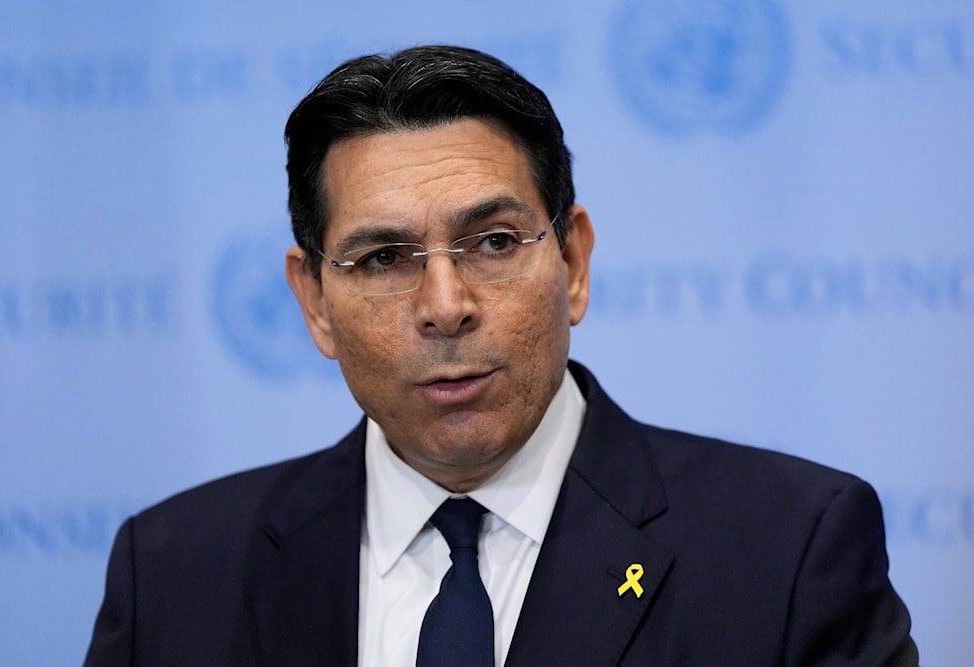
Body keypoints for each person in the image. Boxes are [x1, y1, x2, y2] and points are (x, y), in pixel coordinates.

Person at [84, 45, 918, 666]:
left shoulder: (790, 549)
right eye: (383, 259)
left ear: (575, 262)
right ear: (314, 302)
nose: (446, 306)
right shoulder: (172, 576)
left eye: (491, 241)